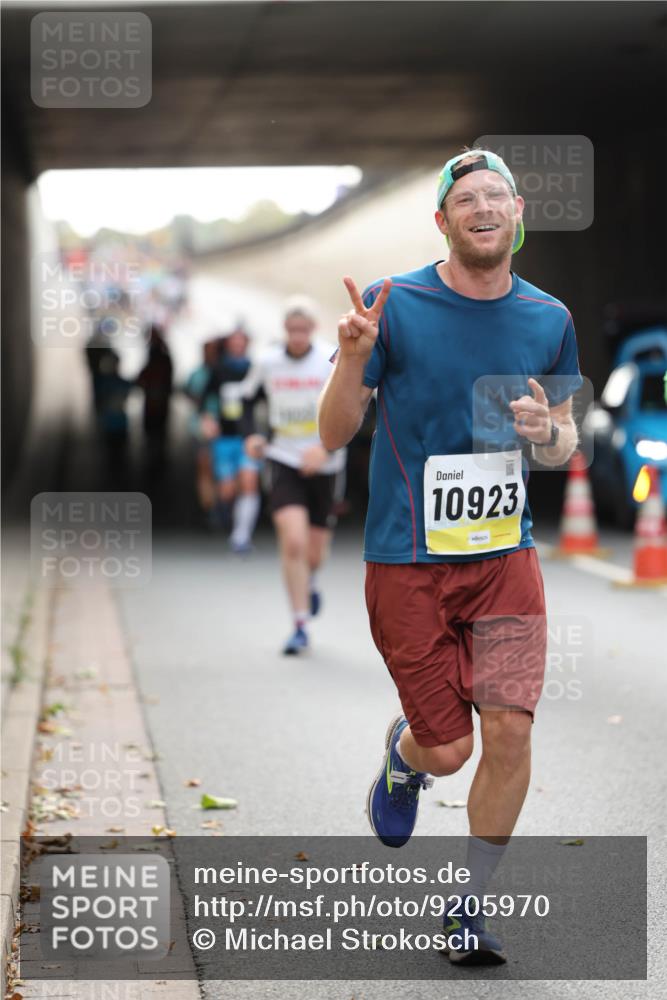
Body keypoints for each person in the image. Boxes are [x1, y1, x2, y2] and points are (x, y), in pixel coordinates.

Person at [318, 148, 583, 964]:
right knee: (449, 750)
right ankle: (407, 757)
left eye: (494, 196)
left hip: (505, 558)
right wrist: (355, 357)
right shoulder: (392, 304)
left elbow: (562, 438)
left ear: (516, 215)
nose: (480, 207)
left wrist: (549, 436)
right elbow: (331, 434)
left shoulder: (548, 317)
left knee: (508, 732)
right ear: (442, 221)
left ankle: (468, 908)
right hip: (407, 561)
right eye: (463, 198)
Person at [243, 297, 346, 655]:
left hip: (325, 464)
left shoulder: (329, 360)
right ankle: (299, 624)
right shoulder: (268, 362)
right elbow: (245, 400)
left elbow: (356, 405)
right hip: (283, 459)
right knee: (294, 543)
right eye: (292, 329)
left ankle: (311, 580)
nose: (298, 336)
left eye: (304, 329)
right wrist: (253, 435)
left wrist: (327, 450)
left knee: (315, 552)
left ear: (313, 330)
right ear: (285, 329)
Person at [204, 327, 261, 554]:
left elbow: (269, 397)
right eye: (234, 341)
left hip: (248, 437)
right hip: (224, 438)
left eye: (242, 341)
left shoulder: (255, 369)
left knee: (249, 482)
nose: (238, 345)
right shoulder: (219, 369)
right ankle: (225, 517)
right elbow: (204, 397)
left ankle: (241, 536)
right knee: (227, 489)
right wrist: (207, 419)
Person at [136, 324, 173, 481]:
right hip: (155, 401)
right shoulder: (161, 355)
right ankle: (155, 460)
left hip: (156, 402)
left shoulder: (160, 356)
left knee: (155, 433)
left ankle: (156, 462)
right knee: (155, 433)